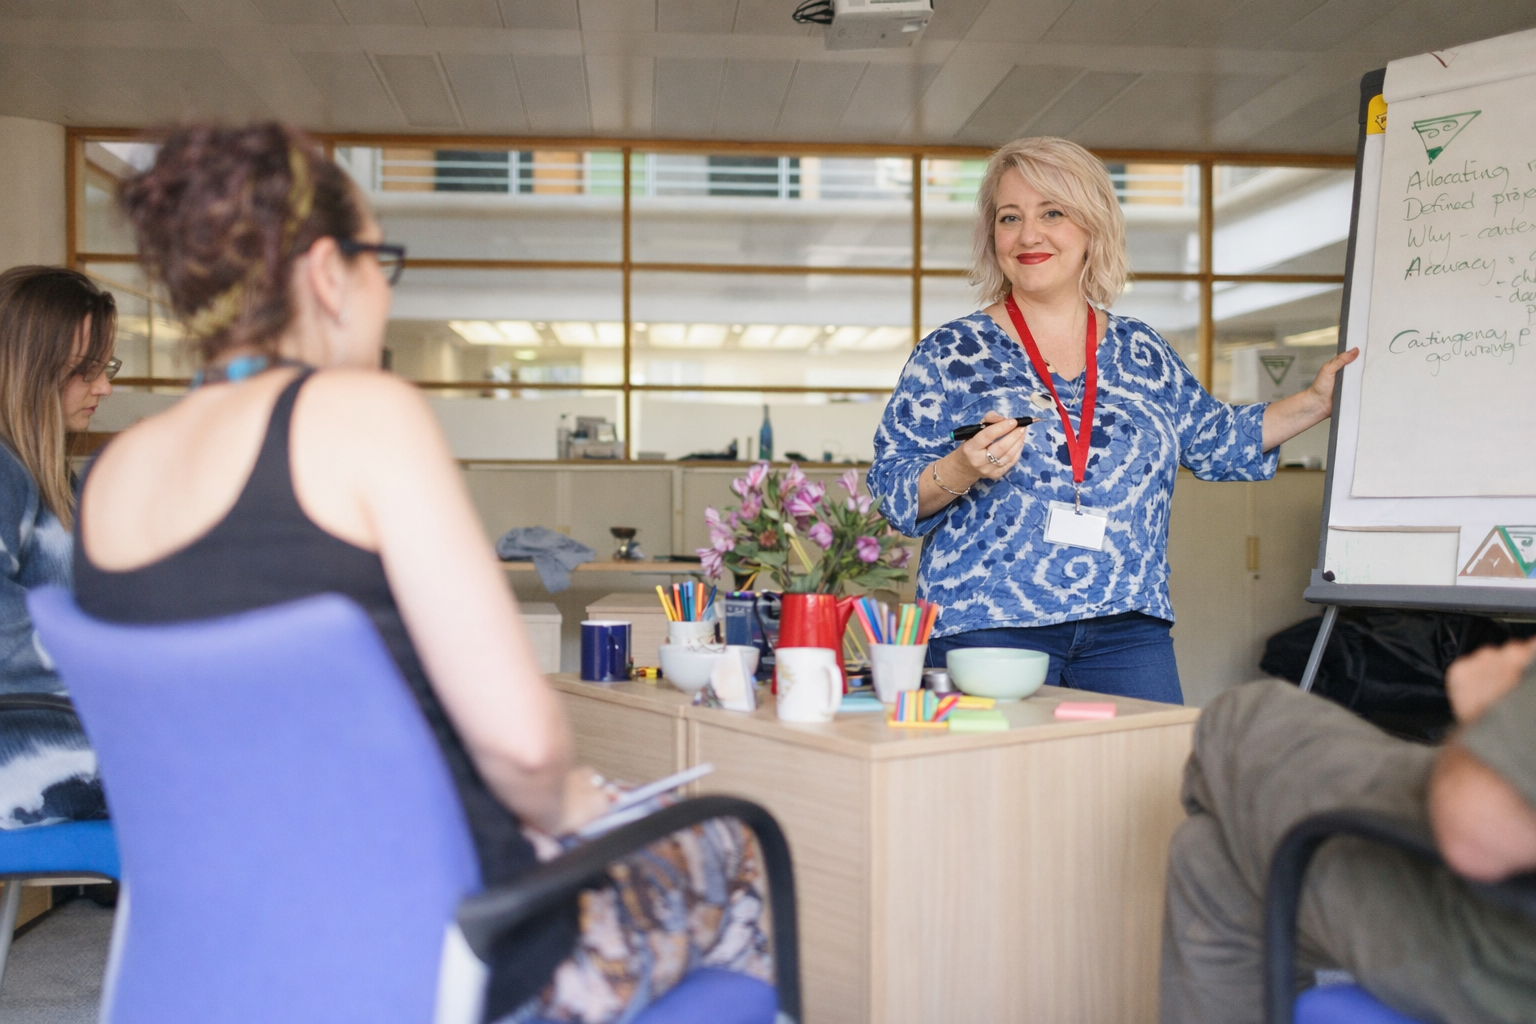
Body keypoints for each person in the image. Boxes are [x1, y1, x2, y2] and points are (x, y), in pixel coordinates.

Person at [80, 125, 769, 1024]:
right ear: (330, 272)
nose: (382, 293)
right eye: (380, 261)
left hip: (223, 950)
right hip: (439, 955)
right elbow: (524, 751)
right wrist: (573, 802)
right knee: (730, 840)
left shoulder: (115, 474)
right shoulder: (361, 416)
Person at [866, 137, 1357, 704]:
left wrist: (1317, 401)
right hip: (990, 625)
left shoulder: (1141, 350)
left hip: (1127, 626)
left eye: (1052, 212)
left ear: (1092, 229)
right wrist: (960, 466)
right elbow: (893, 492)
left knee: (1139, 783)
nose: (1029, 234)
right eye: (1010, 217)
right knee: (1004, 792)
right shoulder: (953, 353)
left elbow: (1219, 440)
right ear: (991, 235)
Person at [1161, 644, 1536, 1022]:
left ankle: (1236, 814)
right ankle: (1238, 823)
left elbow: (1479, 824)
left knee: (1240, 716)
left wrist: (1492, 707)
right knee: (1208, 861)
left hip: (1505, 960)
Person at [0, 266, 116, 830]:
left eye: (104, 368)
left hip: (60, 739)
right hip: (25, 758)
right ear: (28, 371)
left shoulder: (46, 478)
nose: (104, 388)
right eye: (84, 372)